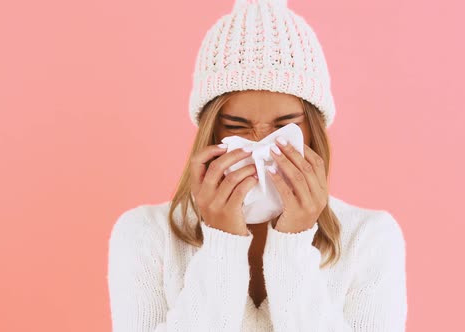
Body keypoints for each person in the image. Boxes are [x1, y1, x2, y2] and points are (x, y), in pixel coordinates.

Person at [107, 0, 407, 331]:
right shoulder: (144, 233)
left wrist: (294, 241)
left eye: (284, 125)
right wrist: (221, 240)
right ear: (211, 130)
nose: (260, 142)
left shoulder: (370, 237)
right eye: (236, 125)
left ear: (311, 128)